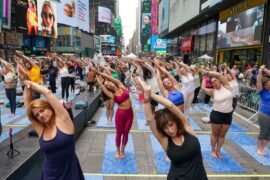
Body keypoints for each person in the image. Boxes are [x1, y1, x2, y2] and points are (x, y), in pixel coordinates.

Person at [137, 77, 207, 180]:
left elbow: (171, 106)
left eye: (171, 125)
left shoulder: (187, 128)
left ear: (176, 122)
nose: (169, 130)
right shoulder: (165, 140)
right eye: (165, 128)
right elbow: (150, 120)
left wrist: (150, 93)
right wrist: (146, 99)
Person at [23, 80, 84, 180]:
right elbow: (27, 103)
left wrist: (30, 82)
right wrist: (26, 83)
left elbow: (47, 93)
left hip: (70, 174)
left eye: (42, 110)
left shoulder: (64, 121)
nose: (41, 115)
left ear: (50, 108)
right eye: (37, 115)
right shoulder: (41, 129)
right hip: (49, 175)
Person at [96, 72, 133, 159]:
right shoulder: (111, 94)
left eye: (109, 82)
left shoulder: (121, 85)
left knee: (126, 133)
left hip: (130, 114)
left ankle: (122, 151)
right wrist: (97, 76)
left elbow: (109, 77)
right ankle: (117, 151)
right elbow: (102, 86)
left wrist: (99, 72)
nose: (109, 84)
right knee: (119, 133)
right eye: (107, 85)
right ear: (108, 88)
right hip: (120, 115)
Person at [200, 69, 233, 159]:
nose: (214, 83)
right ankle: (213, 150)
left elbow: (219, 74)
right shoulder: (213, 91)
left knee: (222, 134)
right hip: (216, 114)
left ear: (219, 80)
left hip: (228, 115)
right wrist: (204, 77)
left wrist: (207, 72)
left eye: (216, 81)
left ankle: (218, 150)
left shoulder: (227, 86)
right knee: (215, 133)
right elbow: (203, 88)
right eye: (212, 82)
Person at [256, 65, 270, 156]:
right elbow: (258, 81)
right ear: (264, 85)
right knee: (263, 131)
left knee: (269, 134)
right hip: (264, 113)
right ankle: (258, 148)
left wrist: (265, 70)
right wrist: (261, 71)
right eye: (267, 84)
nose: (269, 85)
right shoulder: (262, 91)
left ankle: (262, 148)